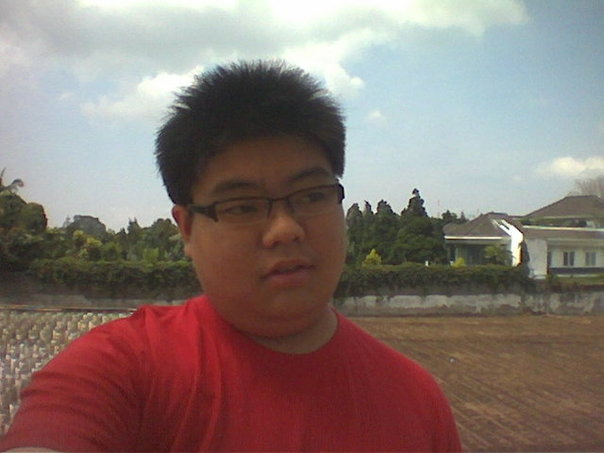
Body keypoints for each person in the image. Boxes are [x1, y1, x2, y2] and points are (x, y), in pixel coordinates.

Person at [0, 60, 462, 452]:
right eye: (242, 206)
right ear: (186, 228)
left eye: (311, 195)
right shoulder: (120, 370)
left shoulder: (416, 398)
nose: (285, 229)